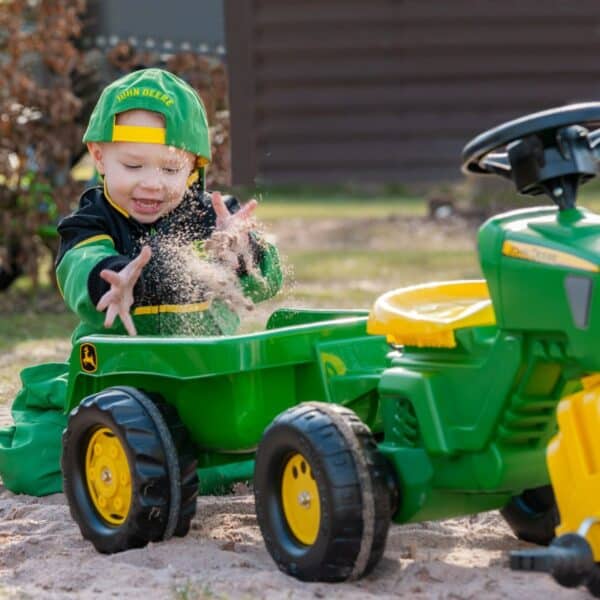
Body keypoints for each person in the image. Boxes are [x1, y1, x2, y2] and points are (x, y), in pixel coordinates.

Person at [0, 68, 282, 495]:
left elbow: (265, 285)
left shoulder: (214, 217)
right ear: (98, 156)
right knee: (32, 461)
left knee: (257, 431)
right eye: (133, 164)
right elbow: (80, 267)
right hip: (118, 384)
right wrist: (108, 280)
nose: (152, 184)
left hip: (203, 380)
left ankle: (188, 466)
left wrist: (245, 252)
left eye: (171, 169)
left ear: (194, 166)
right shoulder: (92, 220)